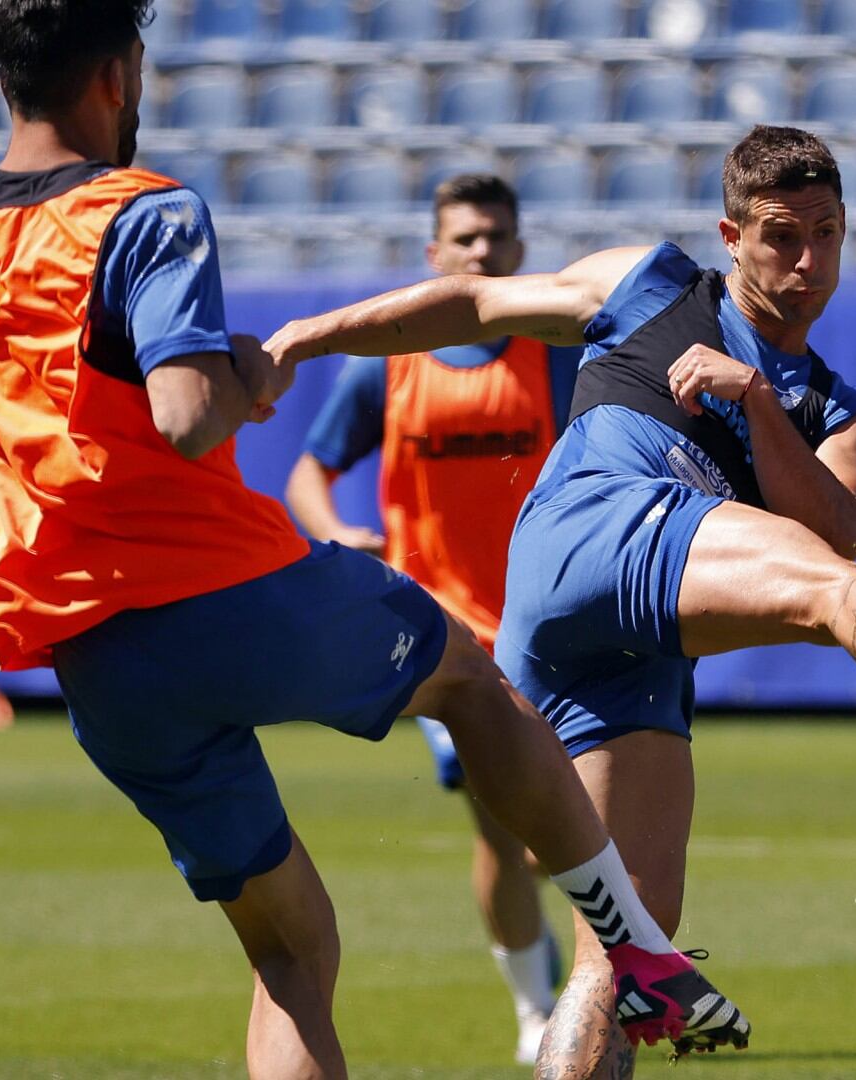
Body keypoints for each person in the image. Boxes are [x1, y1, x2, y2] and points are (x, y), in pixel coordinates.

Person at [0, 2, 746, 1075]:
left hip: (89, 652)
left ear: (7, 76)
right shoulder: (147, 212)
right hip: (220, 591)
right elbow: (186, 417)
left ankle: (614, 956)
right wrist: (242, 374)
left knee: (290, 949)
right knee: (469, 679)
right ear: (118, 76)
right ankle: (632, 946)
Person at [268, 124, 856, 1077]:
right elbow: (480, 303)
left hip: (628, 651)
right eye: (783, 235)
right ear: (731, 236)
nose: (809, 260)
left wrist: (759, 403)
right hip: (592, 530)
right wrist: (307, 335)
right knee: (839, 597)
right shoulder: (654, 284)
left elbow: (837, 520)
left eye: (828, 232)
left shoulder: (839, 406)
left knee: (625, 958)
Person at [284, 172, 575, 1065]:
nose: (481, 251)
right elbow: (307, 474)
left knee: (557, 831)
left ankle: (584, 979)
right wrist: (338, 533)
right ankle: (537, 1012)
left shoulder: (552, 354)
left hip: (557, 628)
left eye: (496, 237)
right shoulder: (390, 366)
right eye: (465, 239)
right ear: (434, 256)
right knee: (504, 816)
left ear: (520, 253)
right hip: (443, 639)